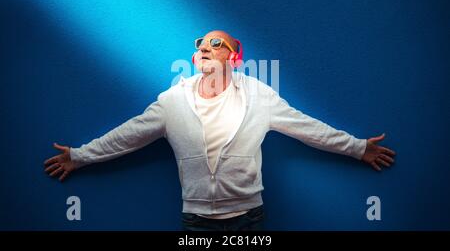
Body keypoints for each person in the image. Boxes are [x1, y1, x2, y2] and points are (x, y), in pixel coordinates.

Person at [44, 30, 396, 231]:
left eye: (215, 44)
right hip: (195, 220)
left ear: (234, 58)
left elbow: (307, 127)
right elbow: (128, 135)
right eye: (199, 47)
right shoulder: (172, 101)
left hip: (249, 218)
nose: (203, 49)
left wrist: (357, 148)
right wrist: (79, 157)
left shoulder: (258, 95)